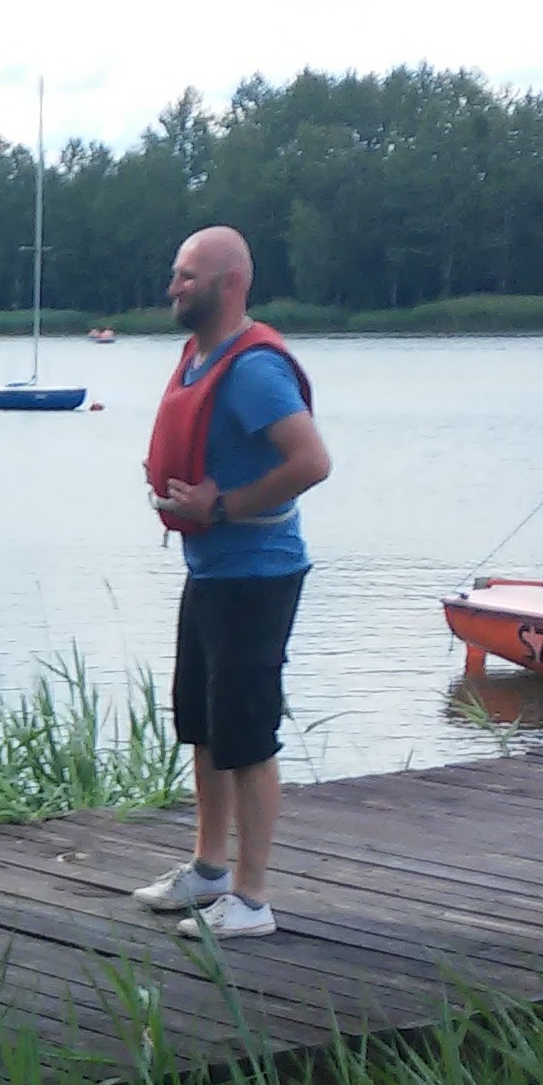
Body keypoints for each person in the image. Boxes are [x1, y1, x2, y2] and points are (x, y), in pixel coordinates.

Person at [131, 226, 333, 940]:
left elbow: (312, 462)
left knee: (247, 736)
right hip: (211, 573)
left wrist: (222, 507)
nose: (173, 288)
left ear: (230, 284)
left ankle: (251, 900)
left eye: (187, 277)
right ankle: (209, 869)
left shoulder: (253, 370)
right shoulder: (198, 358)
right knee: (204, 725)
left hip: (257, 575)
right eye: (176, 274)